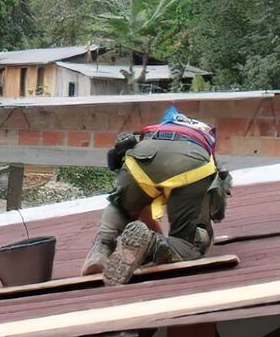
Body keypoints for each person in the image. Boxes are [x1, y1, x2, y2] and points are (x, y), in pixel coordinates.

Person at [82, 107, 232, 286]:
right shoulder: (204, 136)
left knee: (121, 206)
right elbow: (217, 211)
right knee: (192, 242)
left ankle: (100, 249)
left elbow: (139, 208)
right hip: (191, 162)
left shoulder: (160, 128)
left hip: (141, 154)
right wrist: (157, 238)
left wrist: (144, 229)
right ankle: (153, 247)